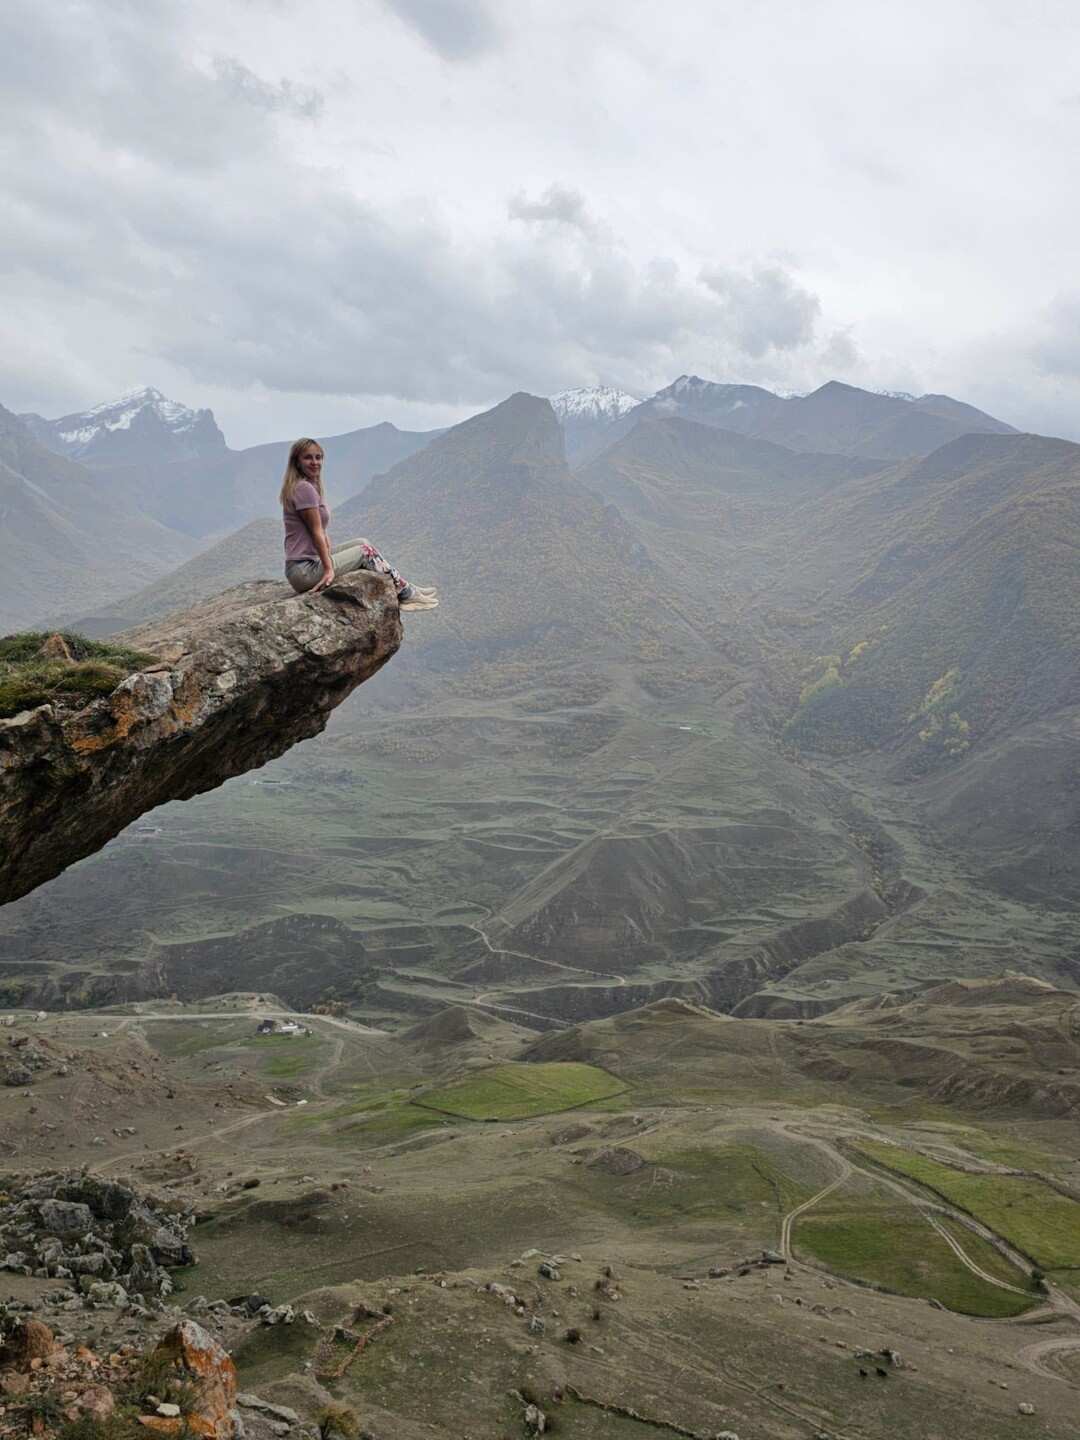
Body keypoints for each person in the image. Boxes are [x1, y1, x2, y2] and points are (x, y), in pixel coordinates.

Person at [280, 437, 438, 610]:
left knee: (362, 543)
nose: (315, 462)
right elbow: (316, 532)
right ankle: (406, 593)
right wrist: (328, 569)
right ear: (297, 461)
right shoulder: (304, 489)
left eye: (318, 457)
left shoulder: (309, 486)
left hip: (308, 563)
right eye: (308, 457)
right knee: (365, 552)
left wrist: (331, 557)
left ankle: (405, 586)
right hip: (304, 571)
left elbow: (322, 532)